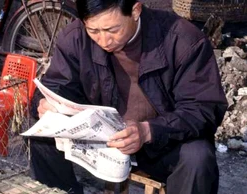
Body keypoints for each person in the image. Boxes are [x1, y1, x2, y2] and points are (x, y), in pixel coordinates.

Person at [29, 0, 228, 194]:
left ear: (135, 10)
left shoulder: (183, 40)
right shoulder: (76, 37)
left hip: (161, 144)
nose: (104, 41)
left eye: (113, 30)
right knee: (43, 137)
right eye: (94, 31)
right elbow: (55, 86)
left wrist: (148, 131)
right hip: (103, 141)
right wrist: (44, 103)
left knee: (198, 157)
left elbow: (204, 108)